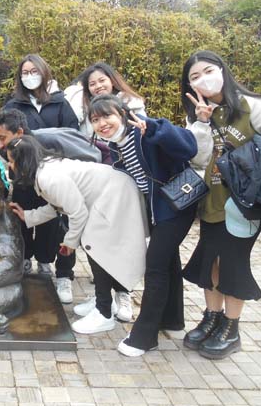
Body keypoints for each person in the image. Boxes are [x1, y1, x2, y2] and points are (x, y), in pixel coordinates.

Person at [180, 50, 261, 359]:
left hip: (245, 203)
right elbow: (200, 158)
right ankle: (212, 317)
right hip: (213, 199)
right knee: (210, 261)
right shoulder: (200, 115)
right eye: (194, 77)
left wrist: (250, 158)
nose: (203, 79)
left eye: (207, 71)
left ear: (222, 70)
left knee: (232, 263)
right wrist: (202, 124)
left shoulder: (252, 106)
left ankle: (232, 328)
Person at [87, 94, 198, 357]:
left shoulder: (144, 131)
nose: (102, 123)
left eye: (107, 116)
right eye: (95, 119)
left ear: (122, 114)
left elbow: (188, 148)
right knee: (168, 262)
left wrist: (157, 129)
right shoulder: (117, 145)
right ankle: (172, 319)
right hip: (158, 211)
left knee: (155, 267)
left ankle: (145, 336)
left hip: (177, 206)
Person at [6, 135, 148, 335]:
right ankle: (103, 302)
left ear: (23, 161)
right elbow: (58, 205)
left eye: (11, 161)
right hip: (108, 195)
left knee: (95, 247)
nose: (10, 166)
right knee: (97, 250)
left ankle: (104, 313)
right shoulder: (45, 169)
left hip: (116, 196)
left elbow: (77, 212)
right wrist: (27, 215)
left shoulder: (49, 177)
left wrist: (70, 242)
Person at [0, 109, 101, 305]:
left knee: (59, 229)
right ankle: (24, 261)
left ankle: (63, 274)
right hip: (26, 189)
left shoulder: (49, 141)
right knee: (21, 223)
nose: (0, 145)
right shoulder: (5, 147)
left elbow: (87, 156)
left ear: (19, 132)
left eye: (2, 138)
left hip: (59, 191)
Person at [64, 62, 145, 138]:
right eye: (92, 84)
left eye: (102, 80)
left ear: (112, 81)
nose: (98, 86)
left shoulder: (130, 101)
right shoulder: (86, 108)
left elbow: (144, 127)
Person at [3, 54, 79, 131]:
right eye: (25, 73)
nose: (30, 76)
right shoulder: (13, 105)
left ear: (43, 72)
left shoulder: (60, 103)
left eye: (34, 71)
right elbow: (1, 133)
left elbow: (72, 134)